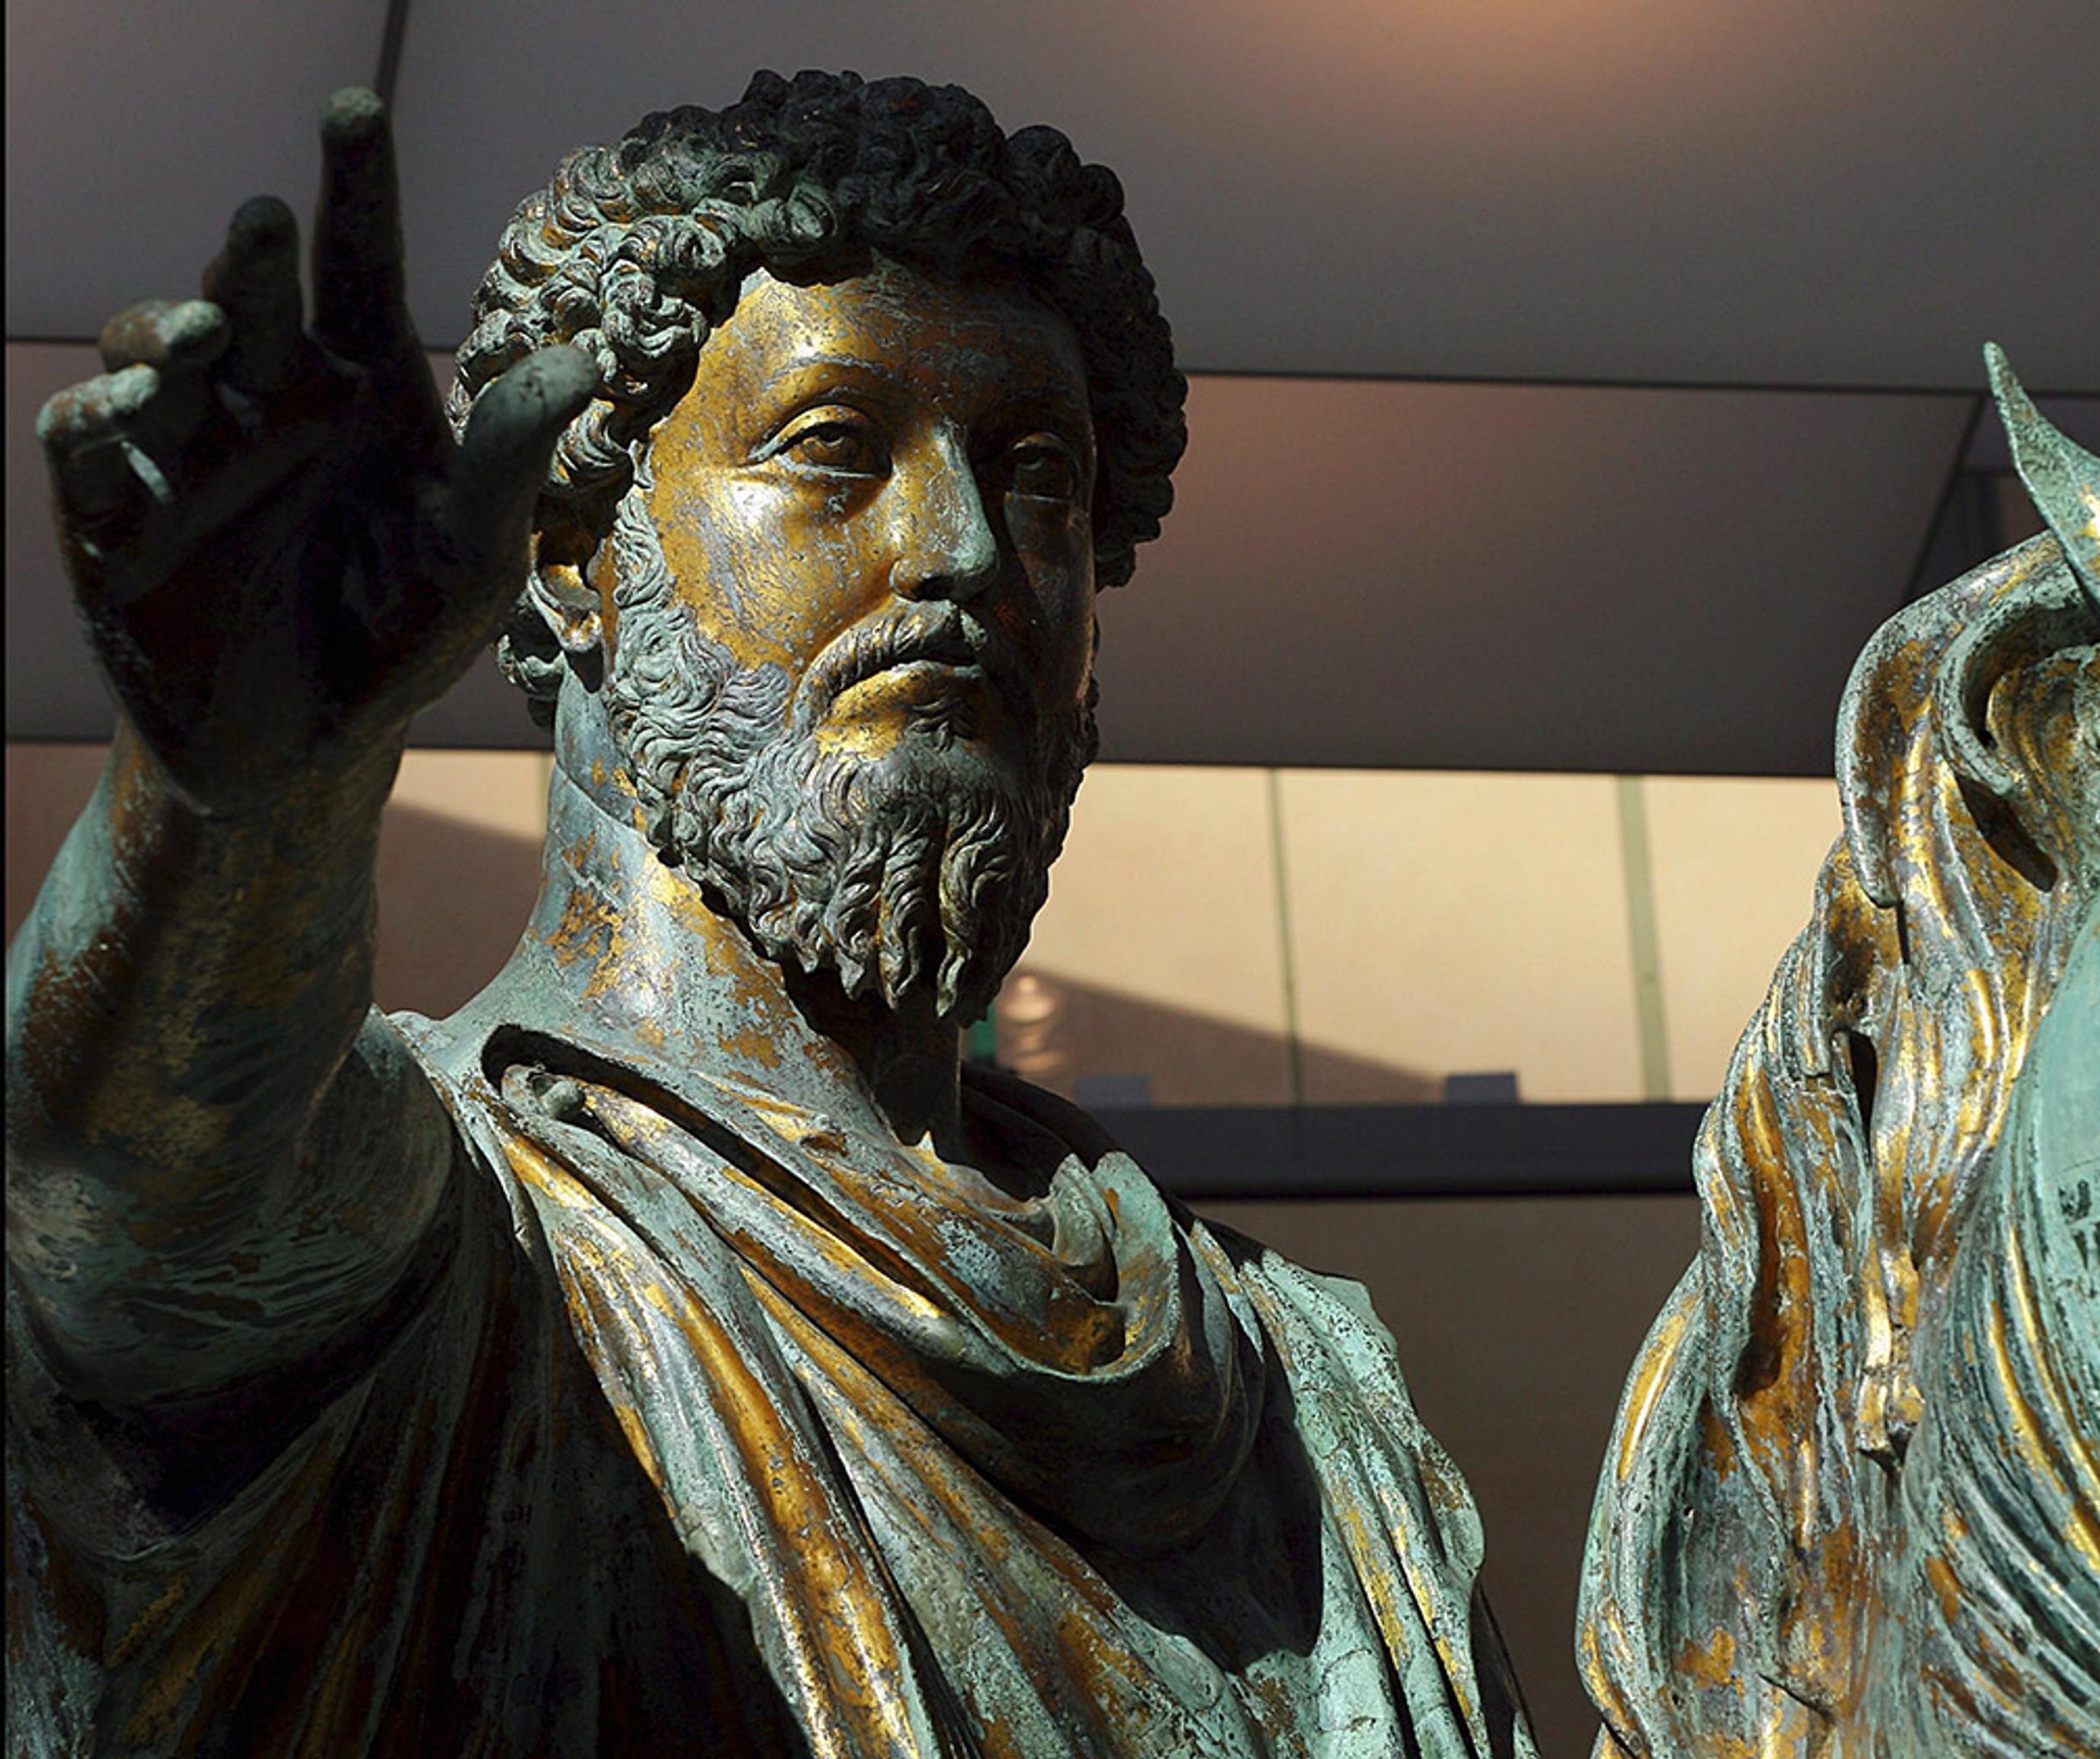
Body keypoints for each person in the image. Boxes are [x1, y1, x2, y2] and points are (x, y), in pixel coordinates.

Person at [7, 72, 1533, 1759]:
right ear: (574, 554)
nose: (959, 551)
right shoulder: (454, 1261)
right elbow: (121, 1218)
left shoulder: (1313, 1405)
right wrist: (236, 811)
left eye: (1037, 480)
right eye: (835, 452)